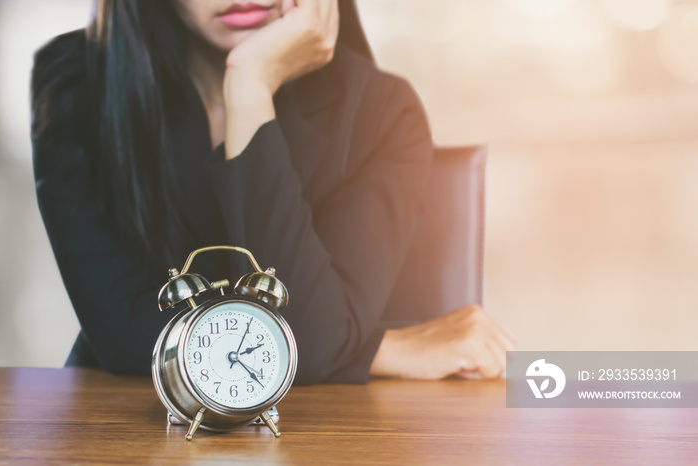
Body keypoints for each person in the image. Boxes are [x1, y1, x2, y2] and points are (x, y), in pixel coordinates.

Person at [31, 0, 514, 384]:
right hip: (123, 425)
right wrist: (381, 352)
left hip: (328, 436)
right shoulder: (75, 84)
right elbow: (123, 335)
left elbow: (319, 337)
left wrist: (249, 87)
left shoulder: (384, 111)